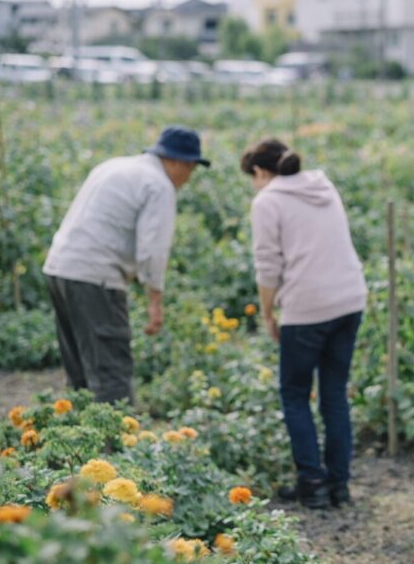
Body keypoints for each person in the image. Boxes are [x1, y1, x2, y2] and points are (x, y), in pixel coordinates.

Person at [241, 138, 367, 510]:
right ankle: (339, 485)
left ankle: (312, 484)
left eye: (253, 178)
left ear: (261, 172)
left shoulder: (268, 201)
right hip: (349, 299)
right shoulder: (323, 186)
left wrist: (268, 312)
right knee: (334, 394)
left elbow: (268, 266)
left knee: (295, 394)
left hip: (307, 307)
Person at [44, 126, 209, 404]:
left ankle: (79, 442)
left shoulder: (113, 167)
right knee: (111, 374)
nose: (188, 178)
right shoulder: (158, 185)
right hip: (95, 277)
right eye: (191, 169)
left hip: (59, 269)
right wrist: (154, 300)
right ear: (179, 162)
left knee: (80, 372)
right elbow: (153, 249)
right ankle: (116, 446)